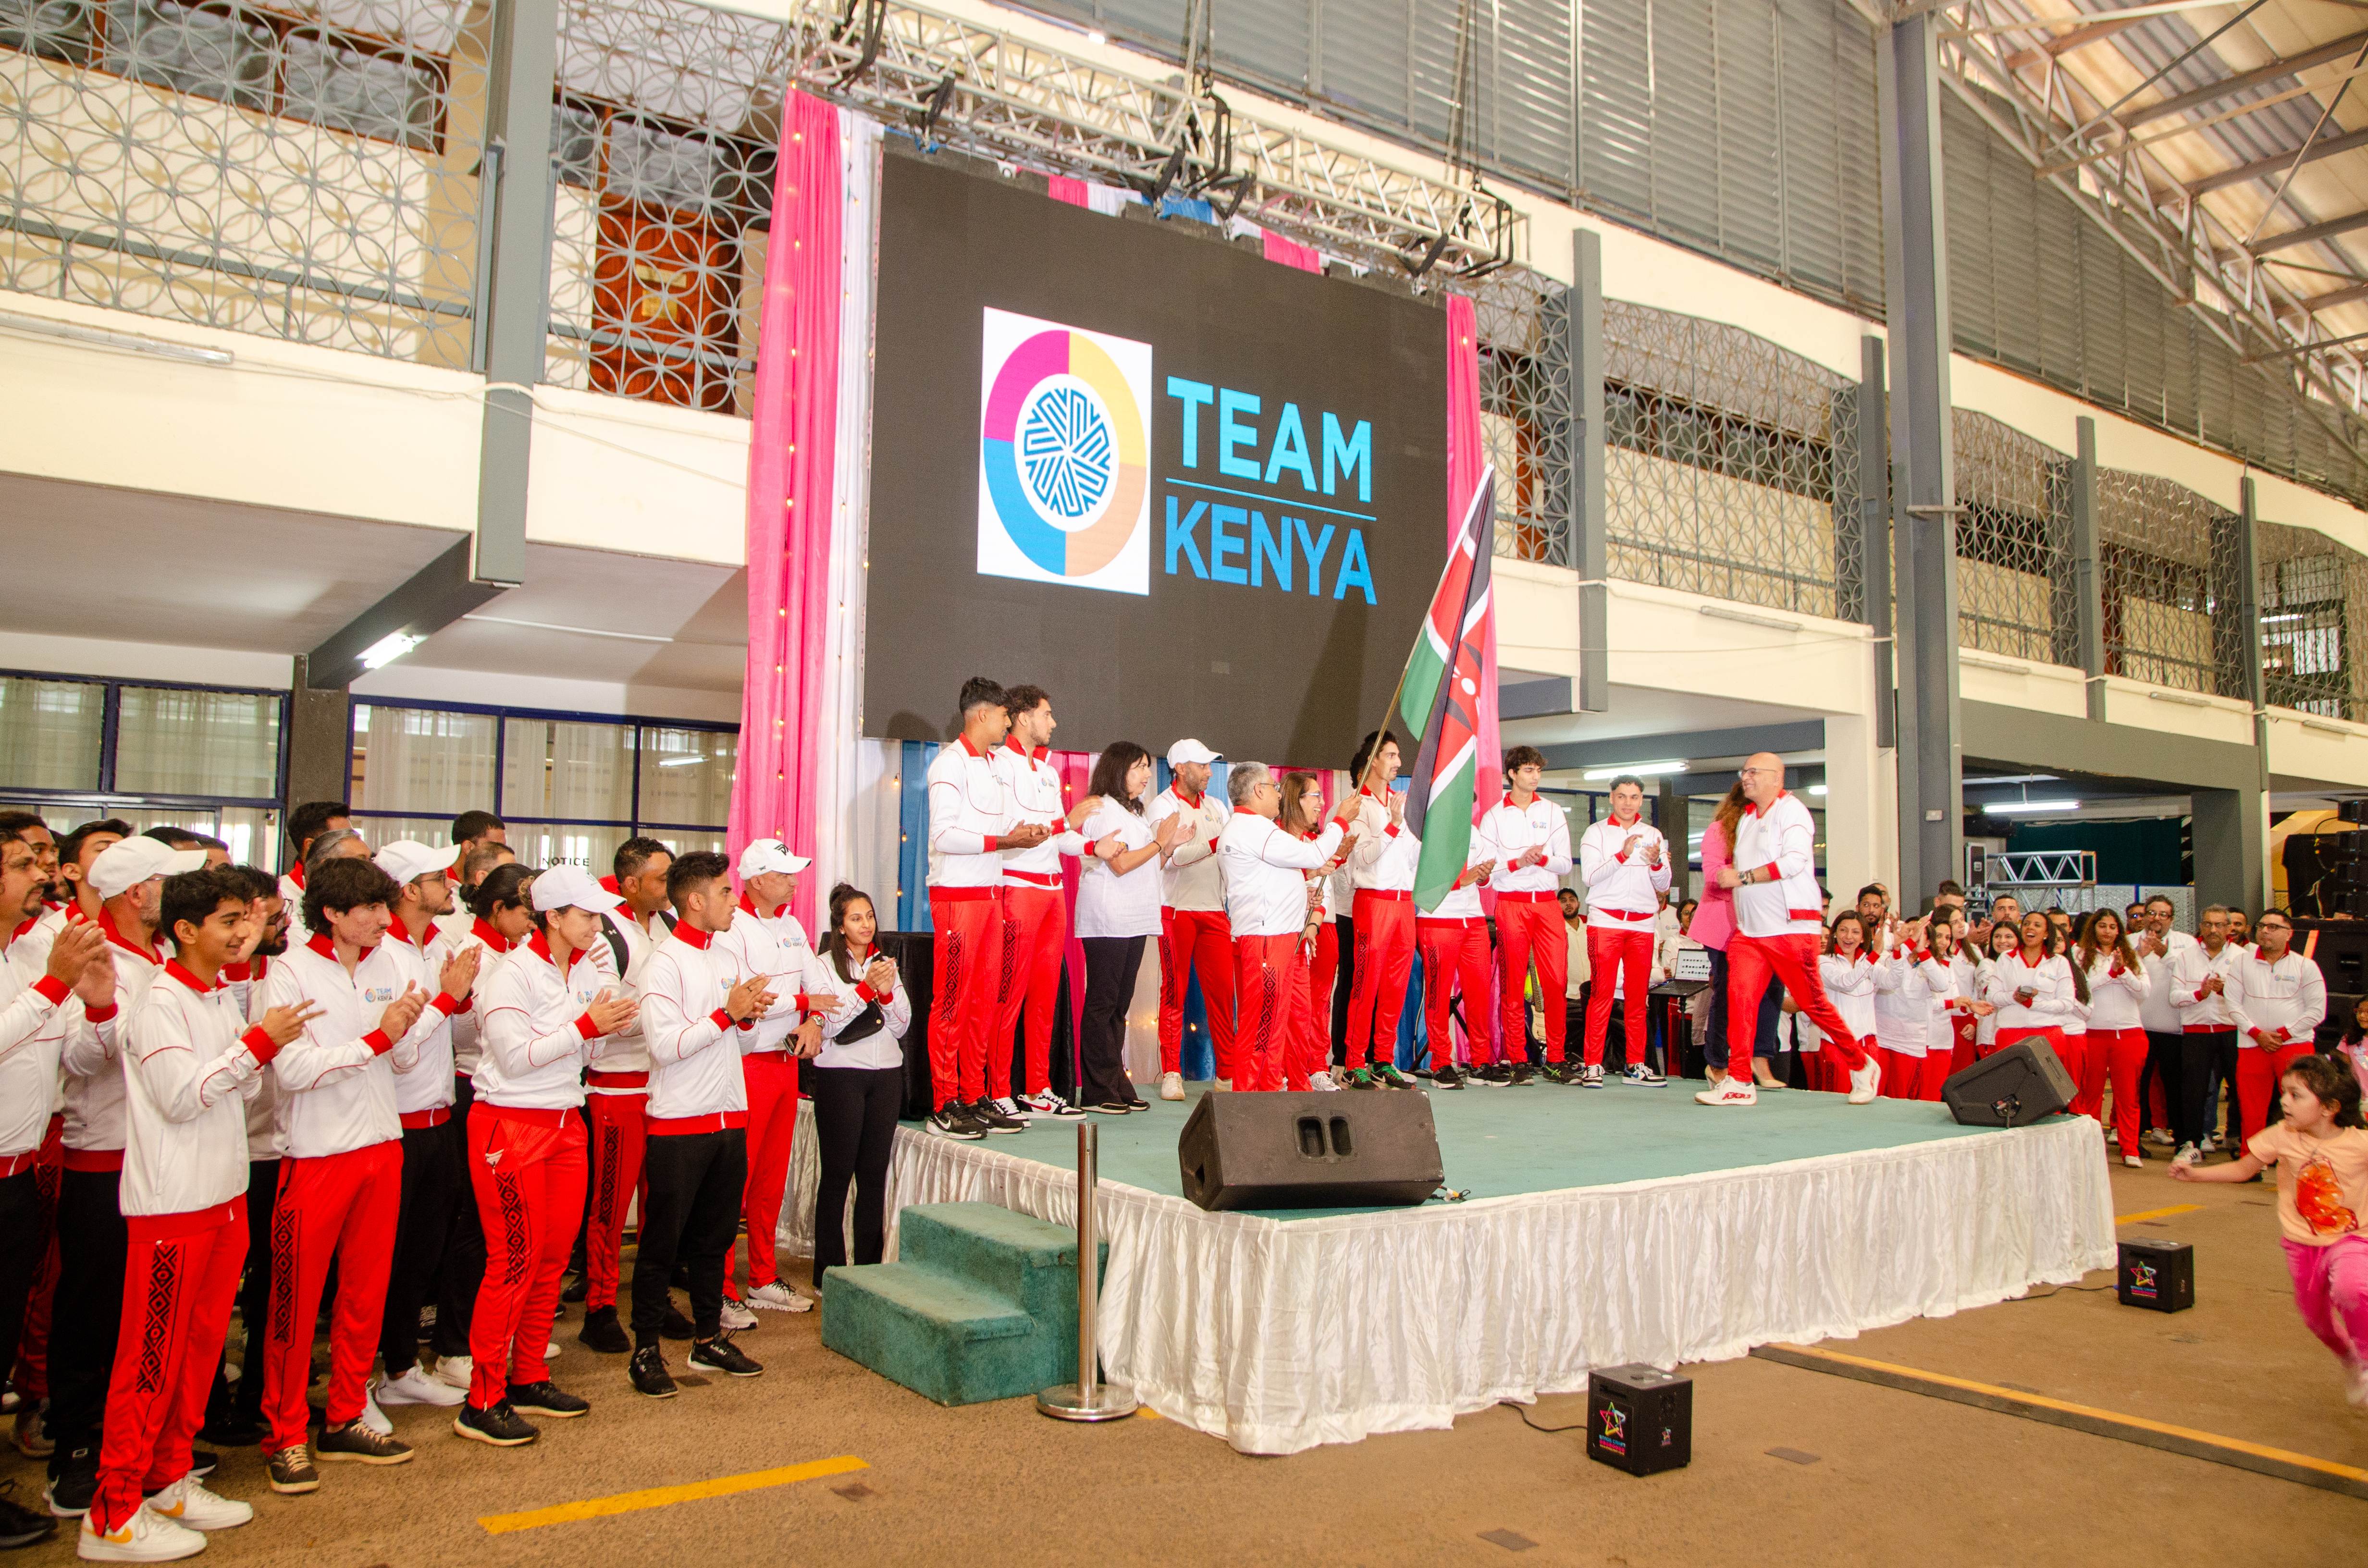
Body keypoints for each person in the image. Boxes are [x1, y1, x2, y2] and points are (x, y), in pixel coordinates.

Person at [76, 869, 300, 1562]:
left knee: (200, 1353)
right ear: (185, 930)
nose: (244, 933)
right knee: (149, 1363)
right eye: (229, 921)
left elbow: (241, 1088)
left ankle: (168, 1478)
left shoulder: (215, 995)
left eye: (247, 920)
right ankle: (112, 1514)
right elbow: (181, 1096)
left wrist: (251, 1048)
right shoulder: (159, 1002)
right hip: (172, 1208)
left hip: (222, 1197)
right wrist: (257, 1045)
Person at [255, 855, 434, 1492]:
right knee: (296, 1302)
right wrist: (378, 1040)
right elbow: (294, 1070)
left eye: (386, 907)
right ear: (331, 913)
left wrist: (403, 1032)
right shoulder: (289, 973)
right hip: (316, 1154)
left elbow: (404, 1063)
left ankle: (345, 1415)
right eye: (371, 910)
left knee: (365, 1294)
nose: (385, 920)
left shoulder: (391, 963)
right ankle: (283, 1434)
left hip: (382, 1146)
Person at [43, 837, 202, 1514]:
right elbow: (79, 1061)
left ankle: (137, 1445)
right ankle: (75, 1451)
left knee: (148, 1321)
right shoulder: (92, 952)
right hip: (105, 1160)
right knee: (94, 1315)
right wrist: (104, 1007)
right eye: (169, 879)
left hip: (162, 1161)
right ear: (139, 893)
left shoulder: (164, 955)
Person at [457, 863, 629, 1445]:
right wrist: (586, 1025)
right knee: (512, 1261)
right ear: (551, 917)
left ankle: (528, 1374)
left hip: (564, 1120)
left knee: (552, 1259)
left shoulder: (584, 969)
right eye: (585, 916)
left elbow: (584, 1051)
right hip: (510, 1124)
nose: (596, 926)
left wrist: (604, 1026)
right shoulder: (511, 974)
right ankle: (482, 1398)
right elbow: (513, 1058)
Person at [629, 851, 777, 1398]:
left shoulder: (724, 956)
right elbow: (665, 1047)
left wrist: (747, 1018)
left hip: (729, 1116)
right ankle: (646, 1351)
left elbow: (741, 1043)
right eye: (725, 892)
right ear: (695, 900)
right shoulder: (663, 964)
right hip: (679, 1122)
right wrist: (726, 1014)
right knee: (662, 1245)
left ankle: (708, 1339)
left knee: (716, 1239)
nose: (734, 901)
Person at [0, 831, 111, 1526]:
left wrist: (97, 1008)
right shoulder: (42, 965)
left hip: (20, 1172)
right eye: (23, 866)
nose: (42, 875)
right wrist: (54, 985)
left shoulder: (33, 951)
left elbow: (78, 1059)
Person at [2171, 1055, 2368, 1410]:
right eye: (2284, 1093)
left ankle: (2367, 1358)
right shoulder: (2281, 1136)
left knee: (2351, 1287)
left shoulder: (2360, 1144)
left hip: (2351, 1240)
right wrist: (2195, 1175)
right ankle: (2350, 1358)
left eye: (2296, 1095)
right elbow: (2244, 1169)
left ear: (2329, 1108)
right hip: (2301, 1246)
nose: (2284, 1101)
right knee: (2317, 1323)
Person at [368, 843, 481, 1419]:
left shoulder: (437, 945)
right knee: (380, 1261)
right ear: (410, 891)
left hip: (439, 1116)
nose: (451, 884)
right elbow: (399, 1049)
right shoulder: (380, 956)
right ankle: (364, 1379)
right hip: (396, 1125)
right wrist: (447, 998)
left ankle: (401, 1368)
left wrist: (461, 1003)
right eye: (439, 877)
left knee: (421, 1255)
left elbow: (453, 1033)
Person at [1700, 755, 1874, 1107]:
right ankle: (1739, 1080)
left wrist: (1742, 877)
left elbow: (1795, 861)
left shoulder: (1793, 811)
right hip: (1750, 931)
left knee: (1812, 1002)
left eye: (1754, 772)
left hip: (1791, 927)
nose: (1746, 778)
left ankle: (1861, 1064)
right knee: (1739, 1000)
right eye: (1744, 772)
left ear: (1777, 778)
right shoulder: (1747, 818)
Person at [424, 865, 534, 1391]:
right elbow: (465, 1033)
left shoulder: (516, 951)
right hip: (476, 1091)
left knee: (507, 1230)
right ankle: (454, 1345)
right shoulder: (472, 954)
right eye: (526, 911)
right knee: (475, 1227)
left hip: (515, 1094)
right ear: (498, 909)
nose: (533, 921)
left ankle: (493, 1336)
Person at [922, 677, 1043, 1137]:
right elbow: (943, 836)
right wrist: (1004, 841)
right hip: (957, 896)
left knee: (984, 1002)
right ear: (982, 715)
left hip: (991, 894)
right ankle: (944, 1102)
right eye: (1004, 715)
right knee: (952, 1002)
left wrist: (1024, 832)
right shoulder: (948, 764)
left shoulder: (992, 765)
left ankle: (974, 1093)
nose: (1008, 723)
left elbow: (998, 825)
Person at [713, 839, 827, 1318]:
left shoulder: (792, 925)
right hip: (747, 1066)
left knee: (770, 1181)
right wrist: (803, 1004)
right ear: (757, 879)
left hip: (784, 1066)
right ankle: (719, 1288)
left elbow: (820, 986)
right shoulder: (731, 928)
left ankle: (761, 1275)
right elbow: (745, 1002)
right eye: (783, 875)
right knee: (733, 1181)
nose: (794, 882)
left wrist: (814, 1020)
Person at [578, 839, 673, 1354]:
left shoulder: (668, 925)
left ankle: (652, 1299)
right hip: (615, 1088)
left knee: (662, 1203)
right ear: (631, 883)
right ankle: (599, 1307)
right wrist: (661, 1017)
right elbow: (601, 1017)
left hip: (662, 1085)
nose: (670, 886)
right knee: (610, 1207)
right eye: (661, 878)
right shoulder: (604, 934)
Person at [991, 686, 1094, 1119]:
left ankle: (1037, 1087)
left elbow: (1060, 836)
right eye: (1046, 714)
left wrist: (1094, 846)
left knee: (1045, 995)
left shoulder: (1049, 771)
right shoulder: (999, 764)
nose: (1053, 723)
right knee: (1008, 995)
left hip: (1054, 892)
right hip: (1018, 888)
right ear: (1022, 717)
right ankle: (997, 1090)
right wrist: (1064, 822)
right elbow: (1013, 829)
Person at [1215, 764, 1350, 1092]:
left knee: (1273, 1022)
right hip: (1267, 939)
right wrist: (1341, 821)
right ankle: (1250, 1096)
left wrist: (1302, 889)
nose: (1279, 794)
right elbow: (1314, 853)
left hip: (1275, 937)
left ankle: (1269, 1087)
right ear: (1258, 790)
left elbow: (1273, 876)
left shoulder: (1252, 829)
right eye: (1274, 787)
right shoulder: (1254, 828)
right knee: (1263, 1022)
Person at [802, 885, 911, 1289]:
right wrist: (865, 989)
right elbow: (827, 1025)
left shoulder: (885, 963)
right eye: (856, 918)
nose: (866, 925)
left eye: (869, 916)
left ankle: (869, 1271)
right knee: (837, 1175)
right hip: (840, 1075)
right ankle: (828, 1272)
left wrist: (886, 993)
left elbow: (902, 1026)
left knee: (873, 1176)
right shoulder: (822, 966)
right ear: (840, 926)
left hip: (886, 1076)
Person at [1075, 745, 1180, 1113]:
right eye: (1139, 768)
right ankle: (1096, 1089)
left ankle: (1115, 1080)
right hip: (1108, 917)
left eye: (1148, 768)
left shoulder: (1133, 813)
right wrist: (1159, 842)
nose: (1147, 775)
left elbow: (1146, 866)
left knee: (1120, 1005)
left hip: (1134, 917)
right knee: (1103, 1003)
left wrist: (1167, 848)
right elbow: (1119, 865)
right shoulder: (1103, 809)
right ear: (1118, 771)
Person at [1476, 747, 1573, 1080]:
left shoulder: (1553, 811)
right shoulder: (1494, 817)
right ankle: (1517, 1057)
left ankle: (1556, 1057)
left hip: (1547, 903)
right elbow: (1486, 872)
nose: (1535, 776)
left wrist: (1542, 860)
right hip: (1511, 904)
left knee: (1556, 982)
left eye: (1538, 770)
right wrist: (1519, 862)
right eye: (1529, 770)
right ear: (1513, 774)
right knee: (1513, 984)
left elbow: (1565, 864)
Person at [1147, 739, 1235, 1097]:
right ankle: (1172, 1072)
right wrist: (1216, 844)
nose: (1209, 772)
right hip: (1176, 910)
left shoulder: (1217, 806)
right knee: (1174, 992)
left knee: (1223, 995)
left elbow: (1228, 856)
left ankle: (1227, 1073)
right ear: (1181, 768)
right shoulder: (1163, 806)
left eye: (1210, 766)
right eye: (1202, 766)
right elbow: (1173, 857)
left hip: (1214, 910)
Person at [1576, 777, 1672, 1089]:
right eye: (1622, 796)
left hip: (1642, 924)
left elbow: (1664, 885)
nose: (1628, 803)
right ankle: (1593, 1064)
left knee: (1637, 997)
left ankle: (1636, 1064)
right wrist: (1622, 855)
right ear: (1612, 799)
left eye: (1634, 797)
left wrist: (1657, 863)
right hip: (1606, 921)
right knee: (1602, 994)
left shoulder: (1653, 835)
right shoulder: (1597, 832)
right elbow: (1590, 876)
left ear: (1642, 800)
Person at [1342, 730, 1419, 1090]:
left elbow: (1412, 859)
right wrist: (1392, 824)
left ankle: (1384, 1059)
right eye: (1391, 756)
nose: (1398, 763)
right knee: (1365, 986)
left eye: (1398, 756)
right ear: (1373, 761)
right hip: (1374, 902)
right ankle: (1353, 1062)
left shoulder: (1400, 803)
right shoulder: (1358, 805)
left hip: (1405, 904)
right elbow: (1363, 857)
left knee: (1395, 987)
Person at [1692, 784, 1779, 1090]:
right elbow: (1714, 879)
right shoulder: (1719, 831)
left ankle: (1761, 1056)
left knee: (1773, 987)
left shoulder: (1771, 831)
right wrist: (1752, 873)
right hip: (1725, 925)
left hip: (1763, 921)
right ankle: (1717, 1063)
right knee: (1728, 992)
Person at [1277, 772, 1354, 1092]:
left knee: (1318, 1005)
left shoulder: (1314, 842)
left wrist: (1315, 923)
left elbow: (1324, 890)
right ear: (1295, 800)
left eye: (1322, 796)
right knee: (1285, 1007)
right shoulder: (1276, 839)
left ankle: (1317, 1067)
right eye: (1315, 796)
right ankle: (1281, 1072)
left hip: (1322, 929)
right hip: (1285, 933)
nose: (1322, 803)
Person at [2231, 909, 2325, 1146]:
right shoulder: (2241, 962)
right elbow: (2232, 1004)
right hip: (2252, 1045)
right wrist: (2256, 1034)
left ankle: (2303, 1156)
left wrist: (2282, 1035)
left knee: (2303, 1105)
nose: (2265, 931)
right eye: (2262, 926)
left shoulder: (2306, 966)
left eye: (2273, 927)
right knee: (2251, 1108)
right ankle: (2252, 1157)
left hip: (2295, 1045)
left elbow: (2317, 1011)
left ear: (2289, 933)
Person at [1413, 830, 1495, 1092]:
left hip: (1475, 920)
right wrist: (1463, 880)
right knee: (1438, 995)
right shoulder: (1427, 830)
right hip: (1437, 919)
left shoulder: (1473, 831)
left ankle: (1481, 1061)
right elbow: (1421, 880)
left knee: (1479, 994)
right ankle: (1441, 1063)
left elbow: (1485, 877)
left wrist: (1484, 875)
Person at [2167, 906, 2247, 1164]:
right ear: (2201, 927)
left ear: (2229, 928)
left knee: (2241, 1089)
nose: (2213, 930)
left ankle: (2244, 1142)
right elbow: (2174, 998)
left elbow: (2250, 998)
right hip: (2196, 1032)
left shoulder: (2242, 957)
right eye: (2208, 924)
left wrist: (2226, 991)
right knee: (2194, 1090)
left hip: (2232, 1031)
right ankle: (2191, 1143)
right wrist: (2199, 994)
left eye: (2219, 925)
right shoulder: (2186, 957)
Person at [2077, 909, 2151, 1167]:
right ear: (2093, 928)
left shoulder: (2131, 956)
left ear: (2119, 930)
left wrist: (2123, 972)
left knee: (2128, 1096)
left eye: (2112, 927)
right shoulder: (2080, 954)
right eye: (2102, 926)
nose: (2107, 931)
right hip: (2093, 1034)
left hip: (2129, 1035)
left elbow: (2144, 992)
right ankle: (2091, 1148)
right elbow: (2081, 988)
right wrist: (2109, 974)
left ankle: (2130, 1148)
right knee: (2091, 1095)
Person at [1982, 912, 2084, 1091]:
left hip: (2049, 1036)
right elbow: (1992, 997)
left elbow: (2067, 1004)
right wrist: (2014, 997)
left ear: (2046, 933)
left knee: (2047, 1093)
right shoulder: (2006, 959)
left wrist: (2033, 1004)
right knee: (2012, 1092)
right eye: (2027, 924)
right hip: (2010, 1034)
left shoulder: (2059, 962)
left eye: (2037, 925)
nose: (2030, 928)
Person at [2134, 894, 2198, 1151]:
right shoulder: (2130, 941)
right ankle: (2133, 1141)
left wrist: (2166, 954)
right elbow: (2121, 975)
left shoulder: (2187, 943)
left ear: (2172, 919)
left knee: (2176, 1088)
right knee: (2137, 1088)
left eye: (2163, 914)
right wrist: (2140, 955)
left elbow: (2192, 976)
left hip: (2174, 1028)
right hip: (2138, 1027)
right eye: (2151, 913)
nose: (2156, 919)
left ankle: (2183, 1141)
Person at [1873, 914, 1956, 1100]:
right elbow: (1891, 971)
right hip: (1882, 1038)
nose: (1912, 935)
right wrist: (1905, 945)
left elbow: (1942, 985)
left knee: (1902, 1099)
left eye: (1918, 933)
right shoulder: (1887, 957)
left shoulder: (1930, 965)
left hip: (1910, 1042)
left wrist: (1922, 951)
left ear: (1928, 941)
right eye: (1909, 931)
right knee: (1874, 1094)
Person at [1815, 912, 1889, 1095]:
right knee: (1836, 1100)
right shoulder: (1824, 961)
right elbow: (1846, 983)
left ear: (1863, 937)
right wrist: (1874, 956)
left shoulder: (1867, 963)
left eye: (1855, 932)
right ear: (1835, 933)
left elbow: (1893, 982)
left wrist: (1900, 952)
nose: (1849, 937)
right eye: (1843, 930)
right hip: (1837, 1045)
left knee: (1867, 1100)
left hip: (1868, 1043)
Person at [276, 801, 353, 942]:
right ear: (311, 846)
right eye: (342, 839)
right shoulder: (280, 896)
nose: (354, 845)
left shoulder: (355, 893)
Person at [447, 810, 507, 880]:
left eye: (504, 848)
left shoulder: (496, 881)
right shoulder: (440, 882)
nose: (503, 854)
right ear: (469, 848)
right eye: (494, 847)